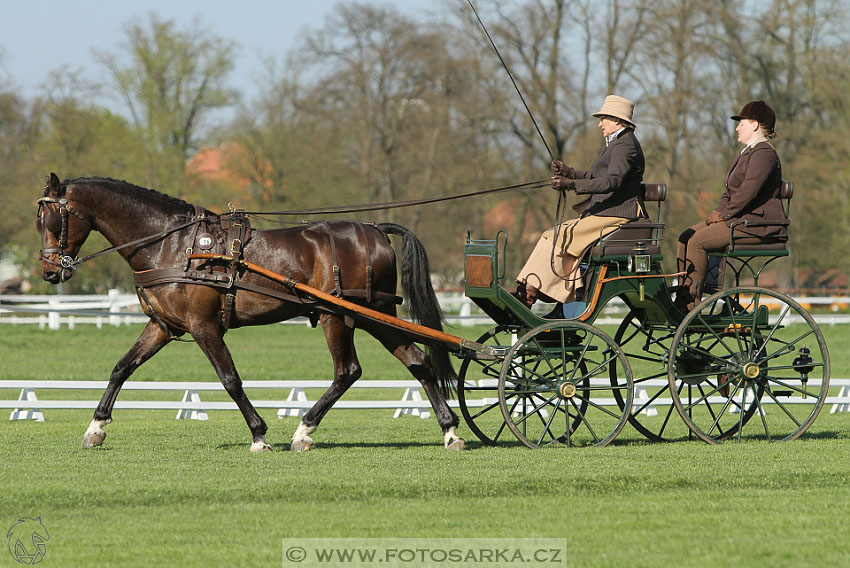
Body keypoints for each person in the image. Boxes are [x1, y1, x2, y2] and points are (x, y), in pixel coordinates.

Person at [515, 95, 646, 310]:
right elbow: (597, 175)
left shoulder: (625, 145)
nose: (600, 123)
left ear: (617, 120)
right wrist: (570, 173)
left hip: (619, 213)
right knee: (555, 233)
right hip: (606, 210)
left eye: (604, 118)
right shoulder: (616, 143)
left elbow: (611, 181)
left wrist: (571, 184)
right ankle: (527, 286)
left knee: (559, 236)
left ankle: (530, 293)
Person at [675, 100, 788, 310]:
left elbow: (748, 192)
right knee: (685, 237)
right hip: (739, 219)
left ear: (755, 125)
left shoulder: (764, 154)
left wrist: (724, 216)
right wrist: (717, 211)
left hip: (758, 224)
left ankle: (691, 304)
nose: (737, 128)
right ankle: (682, 297)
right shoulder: (747, 153)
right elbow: (729, 191)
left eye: (741, 123)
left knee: (697, 241)